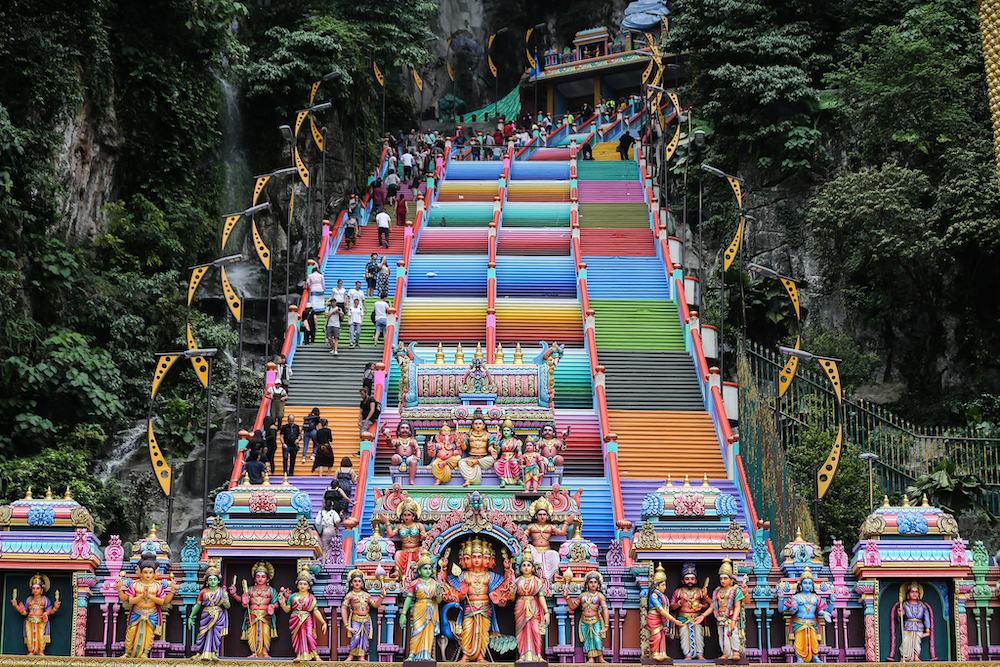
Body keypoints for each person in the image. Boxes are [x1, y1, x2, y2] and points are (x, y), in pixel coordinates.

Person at [118, 551, 178, 658]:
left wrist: (172, 590)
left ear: (155, 573)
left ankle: (145, 653)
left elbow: (163, 601)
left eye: (150, 572)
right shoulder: (135, 585)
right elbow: (128, 600)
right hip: (136, 612)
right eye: (145, 572)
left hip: (151, 614)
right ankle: (128, 652)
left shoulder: (157, 586)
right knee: (131, 633)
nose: (148, 575)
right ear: (140, 572)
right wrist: (119, 589)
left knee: (149, 635)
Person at [229, 561, 279, 658]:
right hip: (252, 614)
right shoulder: (250, 589)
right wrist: (234, 594)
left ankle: (265, 652)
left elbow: (275, 602)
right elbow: (243, 601)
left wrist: (273, 606)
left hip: (266, 615)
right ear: (255, 578)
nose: (260, 579)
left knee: (265, 633)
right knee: (252, 633)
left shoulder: (271, 590)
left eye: (263, 576)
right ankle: (253, 652)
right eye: (258, 576)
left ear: (268, 578)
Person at [782, 567, 830, 663]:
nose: (807, 585)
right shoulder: (795, 597)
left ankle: (815, 656)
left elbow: (821, 610)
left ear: (812, 585)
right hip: (799, 623)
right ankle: (799, 658)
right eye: (805, 583)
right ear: (800, 585)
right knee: (799, 641)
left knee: (813, 641)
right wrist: (781, 599)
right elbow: (783, 610)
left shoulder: (816, 597)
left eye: (809, 583)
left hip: (813, 623)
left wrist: (826, 611)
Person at [399, 551, 441, 662]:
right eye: (425, 569)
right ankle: (412, 654)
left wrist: (439, 591)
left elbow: (438, 600)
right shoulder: (415, 583)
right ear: (419, 570)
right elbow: (409, 598)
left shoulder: (435, 583)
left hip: (431, 609)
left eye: (429, 568)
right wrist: (403, 613)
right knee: (417, 631)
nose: (428, 571)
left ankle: (427, 655)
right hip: (419, 608)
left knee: (428, 632)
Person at [278, 568, 327, 662]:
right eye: (300, 584)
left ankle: (315, 655)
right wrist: (282, 604)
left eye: (305, 584)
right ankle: (299, 655)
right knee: (298, 637)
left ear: (309, 586)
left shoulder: (311, 597)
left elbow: (315, 611)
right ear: (297, 584)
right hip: (295, 618)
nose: (303, 586)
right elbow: (287, 609)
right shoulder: (293, 596)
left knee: (309, 635)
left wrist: (323, 622)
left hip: (307, 618)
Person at [188, 561, 230, 662]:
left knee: (216, 635)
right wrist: (191, 616)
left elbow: (228, 606)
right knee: (202, 633)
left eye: (215, 579)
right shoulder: (203, 592)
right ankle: (199, 653)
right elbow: (198, 605)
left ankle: (214, 653)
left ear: (218, 581)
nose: (213, 581)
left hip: (218, 615)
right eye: (210, 579)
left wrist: (225, 600)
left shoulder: (222, 592)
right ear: (207, 581)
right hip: (206, 614)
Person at [670, 562, 712, 660]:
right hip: (683, 618)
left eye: (692, 579)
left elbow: (707, 605)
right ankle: (687, 655)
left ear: (696, 580)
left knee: (699, 636)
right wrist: (680, 603)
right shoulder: (678, 592)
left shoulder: (700, 592)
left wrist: (701, 606)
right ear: (682, 580)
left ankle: (700, 654)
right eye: (687, 579)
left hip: (697, 618)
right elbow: (672, 606)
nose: (690, 581)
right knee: (684, 637)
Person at [12, 573, 61, 656]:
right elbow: (25, 612)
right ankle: (31, 651)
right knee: (30, 636)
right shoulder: (29, 599)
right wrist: (17, 606)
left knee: (41, 636)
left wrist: (55, 608)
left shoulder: (45, 600)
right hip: (29, 621)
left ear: (42, 589)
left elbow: (49, 611)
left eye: (38, 588)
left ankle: (41, 651)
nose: (35, 590)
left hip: (41, 621)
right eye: (33, 588)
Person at [341, 570, 385, 661]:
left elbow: (375, 606)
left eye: (359, 581)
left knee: (364, 638)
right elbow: (344, 609)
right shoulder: (350, 595)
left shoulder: (366, 595)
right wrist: (346, 625)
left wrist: (382, 597)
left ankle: (362, 656)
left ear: (362, 583)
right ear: (351, 583)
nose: (357, 583)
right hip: (355, 619)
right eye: (355, 581)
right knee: (356, 637)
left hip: (366, 619)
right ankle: (351, 656)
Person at [526, 497, 572, 581]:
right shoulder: (531, 526)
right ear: (536, 516)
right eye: (540, 514)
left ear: (547, 516)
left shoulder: (550, 527)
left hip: (547, 551)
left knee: (554, 554)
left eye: (544, 514)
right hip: (535, 551)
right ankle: (529, 574)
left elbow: (562, 533)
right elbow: (523, 537)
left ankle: (556, 574)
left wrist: (566, 523)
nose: (542, 516)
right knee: (528, 548)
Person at [513, 558, 549, 663]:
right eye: (523, 565)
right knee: (521, 631)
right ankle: (522, 655)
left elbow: (541, 597)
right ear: (520, 568)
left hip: (534, 606)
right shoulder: (517, 581)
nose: (526, 567)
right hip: (521, 606)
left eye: (528, 565)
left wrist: (546, 611)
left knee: (536, 631)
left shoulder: (537, 581)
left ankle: (537, 655)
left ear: (533, 568)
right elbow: (511, 597)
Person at [709, 558, 745, 661]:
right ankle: (725, 653)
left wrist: (733, 620)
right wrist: (702, 616)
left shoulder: (735, 590)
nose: (723, 581)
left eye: (725, 578)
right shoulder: (717, 591)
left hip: (730, 617)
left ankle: (735, 652)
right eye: (721, 579)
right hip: (720, 618)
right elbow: (713, 606)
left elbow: (738, 606)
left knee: (732, 634)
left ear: (731, 580)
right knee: (722, 637)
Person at [569, 571, 609, 663]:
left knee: (597, 639)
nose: (593, 584)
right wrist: (567, 597)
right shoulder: (582, 595)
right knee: (587, 640)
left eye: (595, 582)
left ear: (598, 584)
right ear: (587, 584)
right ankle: (590, 659)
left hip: (596, 620)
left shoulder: (600, 595)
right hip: (584, 621)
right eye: (591, 582)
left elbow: (605, 610)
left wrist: (606, 626)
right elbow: (573, 607)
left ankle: (601, 658)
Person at [381, 498, 426, 580]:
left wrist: (425, 535)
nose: (406, 517)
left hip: (416, 549)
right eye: (404, 515)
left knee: (421, 551)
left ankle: (420, 572)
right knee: (398, 554)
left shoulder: (419, 525)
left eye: (409, 515)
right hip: (404, 551)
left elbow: (423, 537)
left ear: (413, 516)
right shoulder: (400, 526)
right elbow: (390, 535)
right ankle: (397, 572)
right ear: (401, 516)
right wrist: (387, 522)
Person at [646, 565, 681, 662]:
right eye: (663, 585)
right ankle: (654, 653)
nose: (665, 588)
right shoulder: (654, 595)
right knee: (656, 635)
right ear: (657, 585)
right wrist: (674, 620)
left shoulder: (662, 596)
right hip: (653, 617)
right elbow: (661, 610)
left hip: (660, 618)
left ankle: (662, 652)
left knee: (661, 635)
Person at [893, 582, 933, 662]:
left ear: (919, 594)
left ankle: (916, 656)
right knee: (906, 642)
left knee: (916, 642)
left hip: (919, 626)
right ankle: (904, 657)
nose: (914, 594)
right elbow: (899, 619)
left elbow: (926, 618)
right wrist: (900, 615)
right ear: (908, 594)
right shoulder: (905, 605)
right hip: (908, 625)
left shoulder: (922, 606)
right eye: (912, 592)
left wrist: (927, 630)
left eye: (916, 592)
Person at [457, 415, 497, 487]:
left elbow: (489, 447)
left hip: (483, 458)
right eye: (476, 424)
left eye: (480, 423)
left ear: (483, 425)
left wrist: (493, 450)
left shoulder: (488, 435)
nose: (478, 425)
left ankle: (476, 462)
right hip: (471, 458)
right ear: (472, 425)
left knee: (491, 459)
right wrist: (462, 441)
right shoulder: (469, 435)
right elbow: (464, 448)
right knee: (460, 462)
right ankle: (468, 479)